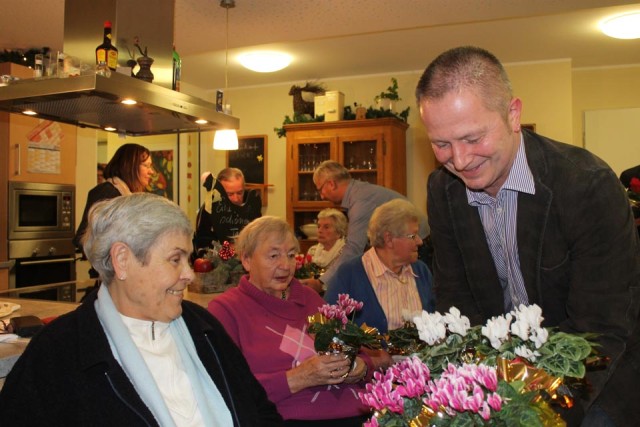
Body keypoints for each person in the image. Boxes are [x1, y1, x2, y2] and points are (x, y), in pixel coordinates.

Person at [416, 45, 640, 426]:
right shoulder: (444, 191)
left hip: (597, 372)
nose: (459, 160)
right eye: (441, 144)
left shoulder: (586, 186)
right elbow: (457, 302)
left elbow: (601, 327)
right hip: (500, 373)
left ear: (513, 114)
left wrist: (537, 413)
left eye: (472, 138)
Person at [0, 193, 282, 426]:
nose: (189, 274)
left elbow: (260, 411)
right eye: (175, 259)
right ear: (123, 260)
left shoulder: (204, 329)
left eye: (188, 259)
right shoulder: (59, 353)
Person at [208, 216, 374, 426]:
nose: (285, 265)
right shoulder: (227, 309)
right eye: (274, 256)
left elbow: (362, 356)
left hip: (358, 413)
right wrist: (300, 377)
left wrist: (361, 367)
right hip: (289, 419)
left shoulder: (310, 298)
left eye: (291, 255)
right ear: (247, 260)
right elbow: (228, 388)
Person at [313, 160, 428, 290]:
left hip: (420, 247)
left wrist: (321, 282)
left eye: (320, 189)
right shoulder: (359, 192)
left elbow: (354, 248)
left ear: (331, 184)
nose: (321, 196)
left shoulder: (359, 202)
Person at [325, 199, 435, 334]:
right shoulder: (349, 274)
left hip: (420, 355)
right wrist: (371, 352)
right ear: (389, 239)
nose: (419, 241)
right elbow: (330, 329)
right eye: (413, 236)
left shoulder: (421, 271)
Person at [73, 143, 155, 296]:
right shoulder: (106, 192)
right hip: (108, 281)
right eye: (146, 165)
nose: (151, 171)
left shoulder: (128, 196)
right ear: (129, 166)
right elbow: (84, 238)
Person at [193, 167, 262, 251]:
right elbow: (202, 242)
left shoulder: (252, 206)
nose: (236, 199)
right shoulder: (209, 208)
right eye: (230, 194)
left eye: (240, 193)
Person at [300, 208, 347, 293]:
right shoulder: (312, 250)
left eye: (326, 227)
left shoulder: (345, 253)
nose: (320, 231)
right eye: (319, 226)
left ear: (339, 232)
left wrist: (322, 287)